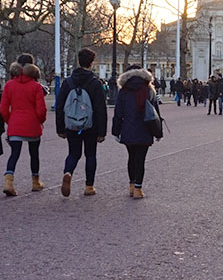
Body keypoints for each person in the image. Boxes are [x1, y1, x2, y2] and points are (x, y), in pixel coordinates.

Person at [55, 48, 108, 197]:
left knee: (73, 153)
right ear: (91, 63)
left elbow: (60, 106)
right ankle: (89, 186)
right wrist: (101, 132)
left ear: (78, 61)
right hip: (90, 126)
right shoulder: (95, 83)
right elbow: (100, 109)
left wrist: (61, 128)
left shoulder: (68, 82)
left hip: (72, 125)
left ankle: (68, 172)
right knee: (90, 155)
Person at [111, 65, 161, 199]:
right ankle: (138, 188)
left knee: (131, 158)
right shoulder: (149, 89)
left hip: (128, 128)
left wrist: (116, 131)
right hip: (145, 128)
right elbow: (155, 112)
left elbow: (118, 113)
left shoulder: (124, 90)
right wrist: (158, 132)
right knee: (140, 159)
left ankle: (131, 185)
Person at [1, 54, 47, 196]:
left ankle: (8, 181)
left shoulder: (9, 85)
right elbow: (41, 110)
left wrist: (11, 121)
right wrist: (40, 121)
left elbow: (3, 108)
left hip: (15, 123)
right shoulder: (36, 86)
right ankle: (35, 182)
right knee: (34, 154)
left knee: (14, 154)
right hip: (32, 124)